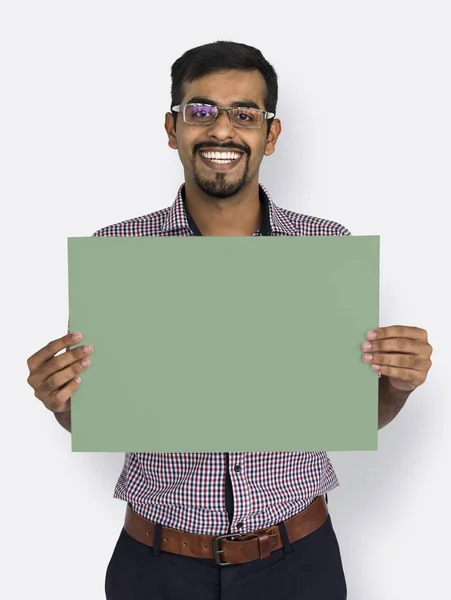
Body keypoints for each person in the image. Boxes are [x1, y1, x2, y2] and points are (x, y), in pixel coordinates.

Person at [26, 41, 433, 600]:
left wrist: (399, 385)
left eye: (244, 114)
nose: (222, 130)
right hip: (157, 564)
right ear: (172, 129)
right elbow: (102, 418)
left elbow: (352, 414)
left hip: (298, 561)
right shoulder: (117, 253)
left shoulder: (324, 250)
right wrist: (64, 402)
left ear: (271, 134)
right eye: (200, 111)